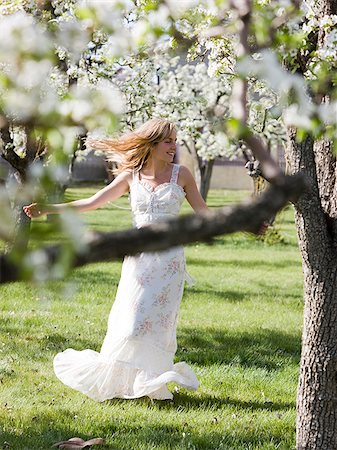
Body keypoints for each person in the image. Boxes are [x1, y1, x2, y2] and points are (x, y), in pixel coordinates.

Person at [23, 118, 209, 401]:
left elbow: (205, 214)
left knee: (159, 322)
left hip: (170, 261)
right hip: (139, 259)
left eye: (175, 140)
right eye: (168, 141)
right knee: (131, 321)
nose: (174, 146)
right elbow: (91, 203)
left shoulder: (181, 174)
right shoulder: (131, 176)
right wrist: (49, 209)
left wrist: (248, 219)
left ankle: (151, 383)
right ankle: (121, 382)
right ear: (152, 143)